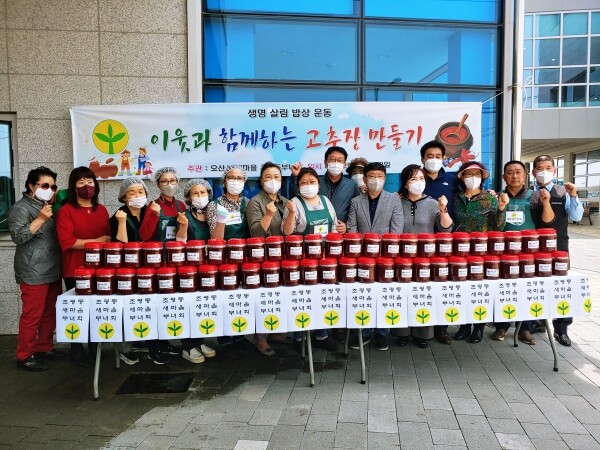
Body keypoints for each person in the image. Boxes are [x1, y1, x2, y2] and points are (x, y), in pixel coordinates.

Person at [491, 161, 555, 346]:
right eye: (510, 172)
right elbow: (494, 224)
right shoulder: (497, 197)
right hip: (503, 251)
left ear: (525, 174)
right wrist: (500, 206)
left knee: (528, 289)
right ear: (503, 177)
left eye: (518, 172)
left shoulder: (534, 196)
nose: (514, 176)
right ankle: (501, 326)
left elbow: (547, 221)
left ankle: (525, 327)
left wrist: (546, 203)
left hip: (528, 252)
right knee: (503, 289)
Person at [109, 177, 171, 365]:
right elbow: (120, 246)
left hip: (149, 270)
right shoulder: (118, 216)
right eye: (132, 192)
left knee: (150, 307)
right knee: (126, 308)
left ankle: (154, 346)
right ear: (124, 196)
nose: (137, 196)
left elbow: (156, 238)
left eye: (141, 192)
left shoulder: (151, 212)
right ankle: (126, 348)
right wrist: (121, 223)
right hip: (126, 271)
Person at [8, 166, 64, 372]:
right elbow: (18, 237)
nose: (50, 190)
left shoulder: (50, 206)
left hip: (53, 267)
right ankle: (24, 355)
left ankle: (44, 348)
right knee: (32, 315)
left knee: (50, 312)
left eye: (53, 187)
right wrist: (40, 219)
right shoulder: (21, 208)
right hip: (33, 270)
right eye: (45, 186)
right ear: (31, 186)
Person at [393, 164, 453, 348]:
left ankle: (422, 334)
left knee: (422, 296)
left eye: (421, 179)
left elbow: (446, 229)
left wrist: (443, 209)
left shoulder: (432, 203)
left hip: (425, 257)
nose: (418, 182)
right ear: (405, 183)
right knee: (403, 295)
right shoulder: (396, 202)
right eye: (413, 179)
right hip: (401, 257)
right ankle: (402, 333)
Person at [55, 167, 111, 366]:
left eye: (89, 181)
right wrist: (97, 241)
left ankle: (95, 347)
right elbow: (68, 241)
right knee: (78, 311)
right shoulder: (66, 211)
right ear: (73, 187)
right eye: (80, 182)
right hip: (75, 269)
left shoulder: (101, 210)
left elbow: (109, 238)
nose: (86, 186)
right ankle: (76, 349)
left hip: (100, 269)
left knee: (96, 310)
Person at [346, 162, 404, 351]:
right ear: (364, 179)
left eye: (379, 176)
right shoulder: (356, 201)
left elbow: (396, 229)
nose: (375, 180)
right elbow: (352, 228)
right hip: (362, 257)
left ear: (385, 179)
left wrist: (388, 253)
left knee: (383, 295)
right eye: (371, 176)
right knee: (363, 296)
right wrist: (358, 252)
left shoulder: (393, 199)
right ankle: (362, 333)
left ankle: (381, 333)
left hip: (385, 257)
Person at [282, 167, 339, 353]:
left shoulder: (326, 201)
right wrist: (291, 213)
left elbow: (334, 226)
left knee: (323, 297)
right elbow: (287, 232)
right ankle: (299, 337)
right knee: (302, 298)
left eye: (312, 182)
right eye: (304, 182)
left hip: (326, 258)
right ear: (298, 186)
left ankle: (322, 335)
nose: (308, 185)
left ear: (318, 184)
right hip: (302, 259)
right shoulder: (294, 203)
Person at [530, 154, 584, 347]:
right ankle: (536, 321)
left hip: (558, 247)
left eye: (548, 168)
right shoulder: (529, 194)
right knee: (535, 286)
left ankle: (561, 329)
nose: (544, 172)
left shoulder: (563, 192)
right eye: (540, 168)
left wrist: (574, 195)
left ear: (555, 171)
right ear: (533, 172)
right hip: (533, 247)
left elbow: (576, 216)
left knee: (561, 287)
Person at [453, 161, 509, 343]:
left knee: (478, 290)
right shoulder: (456, 198)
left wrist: (501, 208)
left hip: (481, 252)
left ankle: (478, 327)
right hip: (460, 251)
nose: (473, 178)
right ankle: (464, 326)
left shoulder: (490, 198)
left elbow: (498, 227)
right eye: (469, 174)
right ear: (462, 177)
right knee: (462, 289)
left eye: (477, 174)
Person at [205, 166, 255, 355]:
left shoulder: (248, 203)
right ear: (224, 181)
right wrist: (221, 220)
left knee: (241, 298)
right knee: (225, 298)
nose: (236, 181)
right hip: (223, 259)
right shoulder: (214, 205)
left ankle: (240, 336)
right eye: (231, 177)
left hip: (244, 258)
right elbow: (215, 238)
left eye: (240, 178)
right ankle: (226, 339)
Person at [246, 162, 289, 356]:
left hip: (282, 255)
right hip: (262, 256)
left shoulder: (285, 201)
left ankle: (276, 332)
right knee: (263, 297)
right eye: (268, 177)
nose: (273, 181)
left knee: (278, 295)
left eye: (277, 177)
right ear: (261, 181)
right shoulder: (255, 202)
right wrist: (269, 214)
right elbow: (255, 233)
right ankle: (261, 338)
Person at [174, 179, 217, 363]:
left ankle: (199, 342)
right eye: (195, 193)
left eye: (203, 193)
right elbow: (179, 242)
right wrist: (183, 226)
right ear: (188, 197)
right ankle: (187, 346)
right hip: (190, 269)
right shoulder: (184, 216)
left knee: (203, 307)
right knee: (188, 306)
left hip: (210, 267)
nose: (200, 196)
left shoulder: (214, 213)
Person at [290, 146, 359, 229]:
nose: (336, 163)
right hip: (315, 228)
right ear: (325, 162)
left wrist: (347, 226)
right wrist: (296, 177)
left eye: (340, 160)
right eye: (332, 159)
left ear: (344, 164)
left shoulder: (352, 185)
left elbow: (356, 210)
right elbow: (298, 198)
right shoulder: (315, 183)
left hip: (339, 231)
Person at [140, 167, 186, 242]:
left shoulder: (181, 205)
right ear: (158, 185)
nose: (169, 184)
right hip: (158, 248)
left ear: (177, 182)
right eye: (164, 181)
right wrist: (154, 215)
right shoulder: (153, 205)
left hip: (176, 248)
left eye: (172, 180)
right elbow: (144, 236)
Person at [421, 140, 459, 216]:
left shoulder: (452, 180)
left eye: (438, 157)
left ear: (442, 159)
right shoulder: (414, 179)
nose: (434, 160)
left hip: (445, 222)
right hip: (420, 223)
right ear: (422, 160)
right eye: (430, 157)